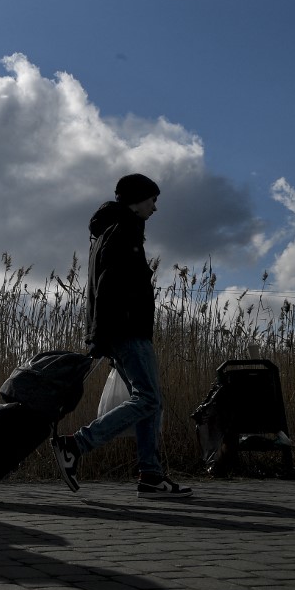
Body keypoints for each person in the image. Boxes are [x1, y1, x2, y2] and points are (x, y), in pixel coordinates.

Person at [51, 173, 193, 499]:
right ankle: (75, 445)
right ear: (136, 199)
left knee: (148, 404)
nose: (155, 208)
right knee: (148, 399)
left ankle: (151, 477)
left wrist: (101, 336)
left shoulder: (109, 233)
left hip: (121, 331)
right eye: (152, 200)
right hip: (127, 332)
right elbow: (108, 287)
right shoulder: (123, 230)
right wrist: (101, 337)